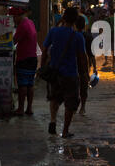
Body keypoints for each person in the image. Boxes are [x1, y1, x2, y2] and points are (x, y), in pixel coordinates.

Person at [41, 7, 89, 138]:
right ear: (75, 20)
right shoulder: (78, 36)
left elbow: (45, 50)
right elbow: (82, 57)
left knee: (54, 98)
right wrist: (85, 73)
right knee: (70, 103)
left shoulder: (53, 31)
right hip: (70, 74)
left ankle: (53, 121)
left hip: (54, 72)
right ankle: (65, 130)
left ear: (63, 18)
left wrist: (42, 66)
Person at [10, 7, 37, 116]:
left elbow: (13, 41)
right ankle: (29, 109)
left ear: (17, 16)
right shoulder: (30, 22)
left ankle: (21, 109)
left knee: (22, 85)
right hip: (32, 58)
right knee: (30, 84)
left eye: (13, 17)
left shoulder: (22, 26)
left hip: (24, 58)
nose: (13, 20)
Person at [75, 15, 93, 115]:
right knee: (83, 87)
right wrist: (92, 67)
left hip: (74, 64)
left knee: (75, 87)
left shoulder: (73, 35)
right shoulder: (88, 36)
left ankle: (75, 106)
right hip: (84, 65)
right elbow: (90, 54)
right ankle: (82, 107)